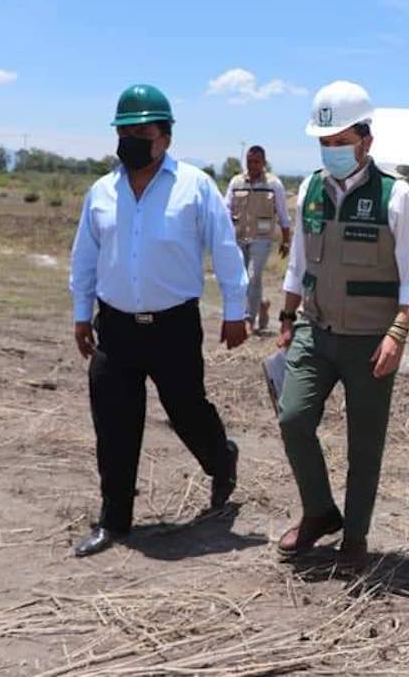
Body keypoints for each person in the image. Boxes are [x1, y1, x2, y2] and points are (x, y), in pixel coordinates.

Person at [68, 84, 248, 558]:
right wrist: (81, 314)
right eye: (123, 131)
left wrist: (236, 312)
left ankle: (220, 458)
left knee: (187, 411)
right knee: (114, 424)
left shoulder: (195, 186)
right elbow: (85, 257)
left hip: (173, 326)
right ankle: (115, 521)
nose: (128, 140)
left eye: (139, 132)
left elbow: (226, 251)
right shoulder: (102, 192)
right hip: (116, 327)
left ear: (164, 138)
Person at [273, 81, 409, 569]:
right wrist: (284, 318)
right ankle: (319, 512)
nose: (332, 151)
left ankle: (354, 537)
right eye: (325, 142)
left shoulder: (396, 197)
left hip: (370, 342)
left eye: (341, 141)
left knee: (365, 443)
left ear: (366, 140)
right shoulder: (311, 189)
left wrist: (397, 336)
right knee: (293, 419)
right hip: (315, 332)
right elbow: (298, 262)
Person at [225, 145, 291, 333]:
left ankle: (248, 318)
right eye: (249, 161)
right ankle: (261, 304)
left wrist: (286, 241)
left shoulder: (273, 184)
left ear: (264, 162)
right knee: (243, 278)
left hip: (262, 239)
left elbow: (284, 215)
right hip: (239, 238)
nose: (252, 165)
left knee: (253, 276)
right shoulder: (236, 182)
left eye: (256, 162)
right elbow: (226, 209)